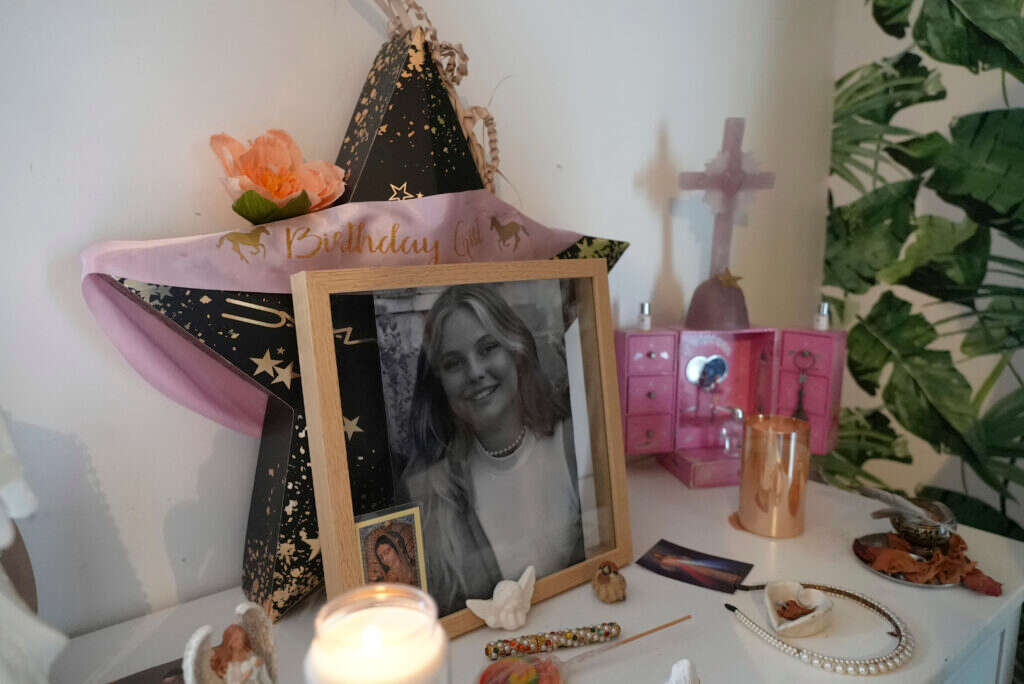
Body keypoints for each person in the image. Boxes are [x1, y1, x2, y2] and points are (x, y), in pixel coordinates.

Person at [400, 284, 584, 616]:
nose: (475, 372)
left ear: (516, 350)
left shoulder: (573, 444)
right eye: (454, 363)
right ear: (439, 383)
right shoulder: (432, 492)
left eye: (488, 348)